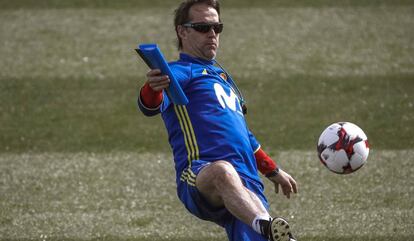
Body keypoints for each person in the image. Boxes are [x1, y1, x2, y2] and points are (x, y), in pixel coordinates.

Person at [137, 0, 298, 240]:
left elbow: (244, 136)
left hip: (247, 184)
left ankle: (265, 227)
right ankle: (264, 223)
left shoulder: (222, 78)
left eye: (217, 28)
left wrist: (272, 170)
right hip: (201, 173)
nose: (212, 34)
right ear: (182, 31)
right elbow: (150, 105)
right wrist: (154, 87)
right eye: (203, 27)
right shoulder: (181, 72)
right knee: (223, 172)